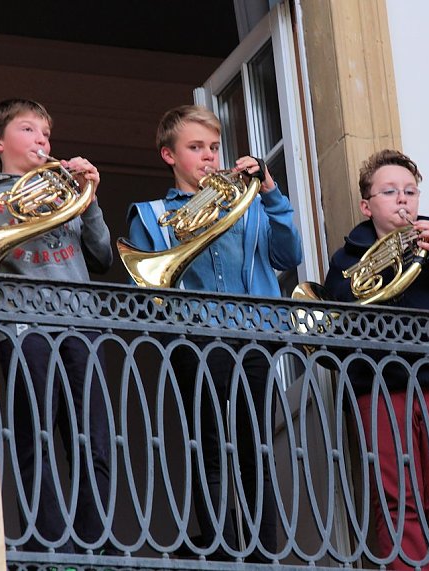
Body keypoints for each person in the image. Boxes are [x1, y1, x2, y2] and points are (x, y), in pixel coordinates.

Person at [125, 105, 303, 561]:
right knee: (207, 446)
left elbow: (288, 255)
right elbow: (144, 284)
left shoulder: (248, 204)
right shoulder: (152, 215)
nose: (208, 156)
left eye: (213, 147)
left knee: (255, 446)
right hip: (194, 340)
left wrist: (270, 192)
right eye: (195, 147)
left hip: (254, 336)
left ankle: (263, 550)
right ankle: (221, 546)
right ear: (169, 155)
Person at [323, 149, 429, 570]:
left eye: (410, 191)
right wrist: (381, 265)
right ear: (368, 206)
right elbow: (334, 321)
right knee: (397, 500)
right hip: (380, 386)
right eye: (389, 192)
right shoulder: (348, 259)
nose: (402, 200)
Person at [0, 98, 114, 554]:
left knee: (93, 442)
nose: (42, 140)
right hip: (22, 326)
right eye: (28, 130)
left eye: (46, 133)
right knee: (37, 437)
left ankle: (95, 544)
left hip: (79, 322)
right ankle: (51, 547)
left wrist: (89, 198)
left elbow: (102, 256)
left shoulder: (65, 188)